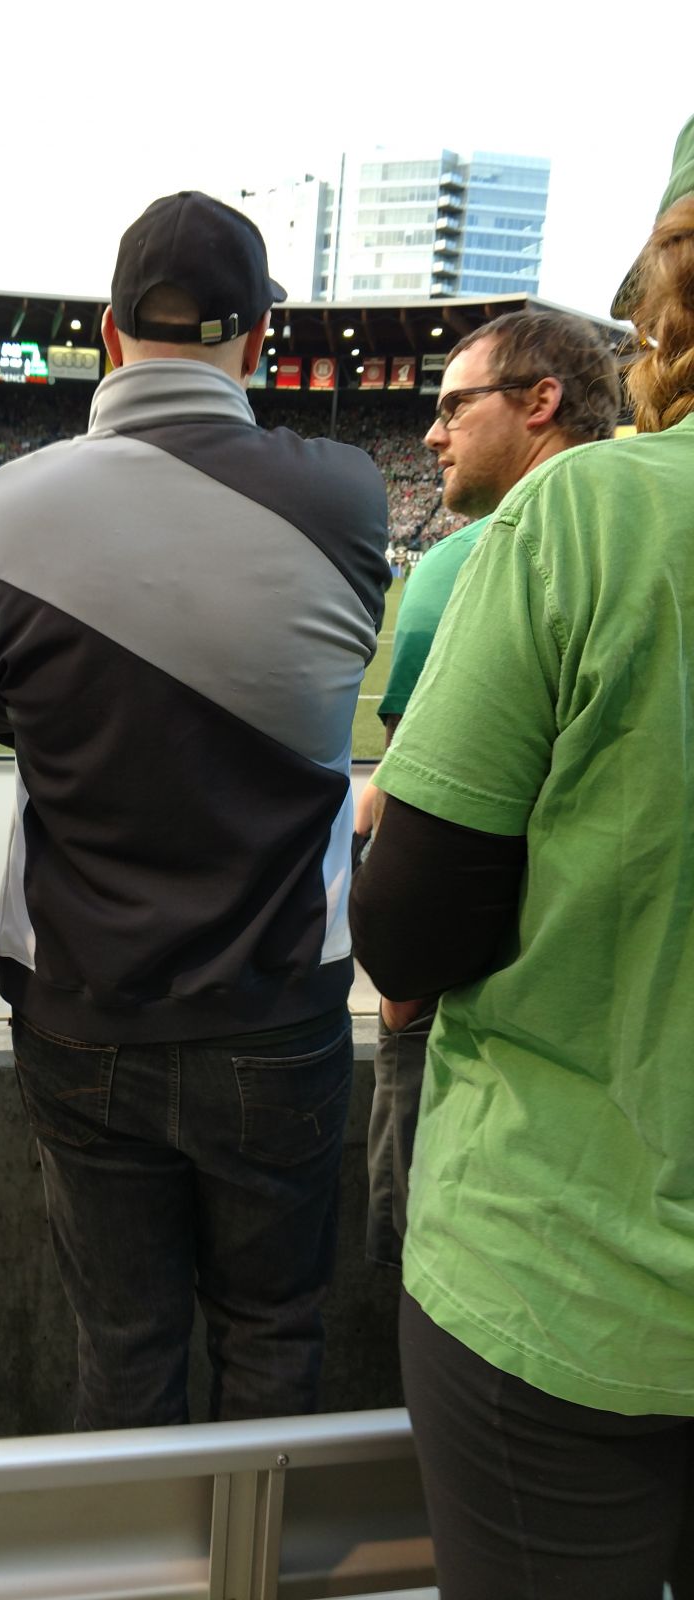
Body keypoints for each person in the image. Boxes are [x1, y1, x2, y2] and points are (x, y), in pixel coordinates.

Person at [0, 191, 389, 1430]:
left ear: (108, 333)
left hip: (82, 1005)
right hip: (278, 1008)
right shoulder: (350, 495)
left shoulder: (14, 501)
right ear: (260, 339)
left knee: (125, 1343)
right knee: (273, 1333)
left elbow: (7, 722)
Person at [350, 115, 694, 1598]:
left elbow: (410, 921)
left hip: (576, 1278)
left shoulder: (586, 516)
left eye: (453, 403)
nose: (430, 431)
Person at [357, 309, 620, 1268]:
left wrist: (398, 1024)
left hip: (490, 1053)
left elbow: (411, 828)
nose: (431, 433)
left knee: (418, 1272)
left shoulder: (472, 564)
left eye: (454, 406)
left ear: (541, 402)